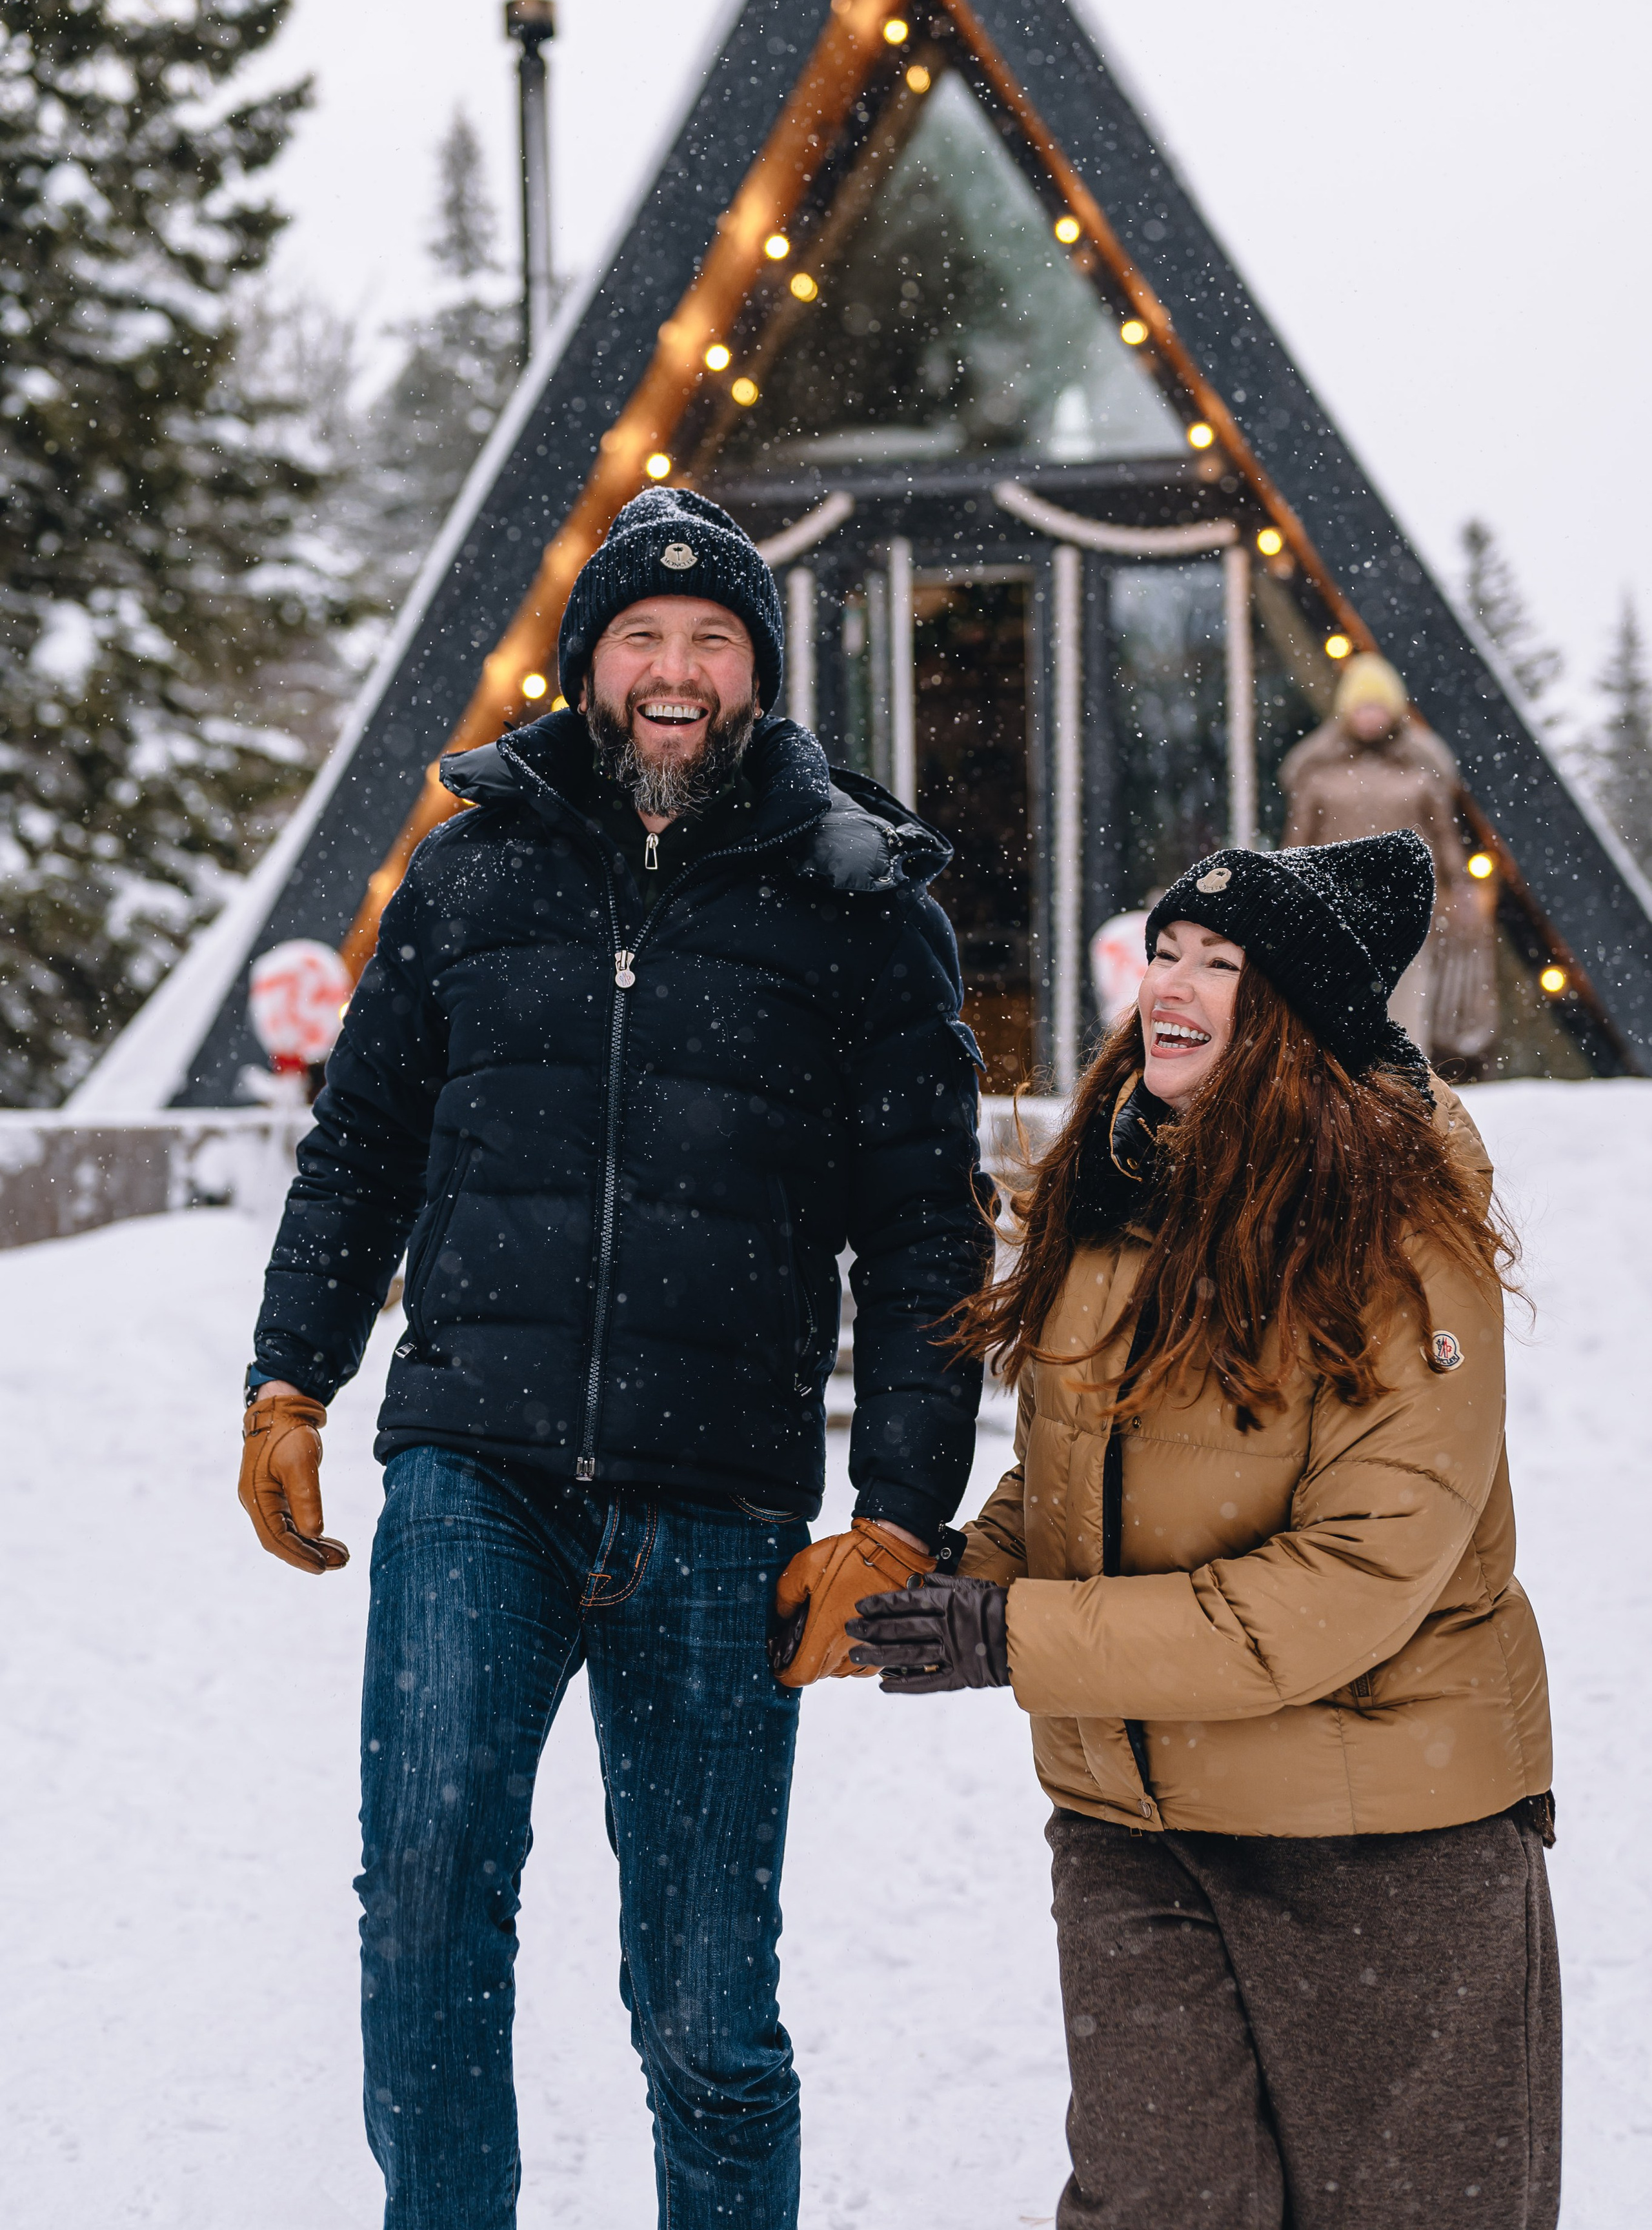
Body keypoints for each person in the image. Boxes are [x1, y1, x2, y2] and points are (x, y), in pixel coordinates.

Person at [236, 485, 991, 2230]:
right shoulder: (473, 867)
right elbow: (361, 1148)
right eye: (641, 636)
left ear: (760, 674)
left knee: (708, 2009)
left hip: (722, 1509)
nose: (674, 669)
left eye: (711, 639)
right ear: (589, 664)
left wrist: (896, 1510)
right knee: (425, 1904)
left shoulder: (859, 904)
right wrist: (294, 1378)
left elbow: (930, 1232)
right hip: (474, 1478)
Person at [850, 829, 1558, 2230]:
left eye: (1219, 963)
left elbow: (1349, 1580)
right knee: (1156, 2205)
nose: (1170, 982)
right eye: (1166, 950)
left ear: (1290, 1014)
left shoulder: (1395, 1228)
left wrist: (1013, 1635)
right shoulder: (1119, 1187)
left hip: (1380, 1835)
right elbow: (1073, 1471)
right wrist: (942, 1580)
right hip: (1132, 1827)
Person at [1279, 651, 1496, 1065]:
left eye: (1378, 706)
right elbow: (1298, 842)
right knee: (1339, 997)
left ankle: (1405, 1086)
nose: (1370, 716)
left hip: (1406, 905)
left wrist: (1459, 887)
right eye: (1362, 706)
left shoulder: (1421, 768)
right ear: (1346, 711)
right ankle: (1344, 1083)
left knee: (1409, 998)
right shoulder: (1317, 771)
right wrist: (1291, 891)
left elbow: (1443, 836)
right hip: (1337, 904)